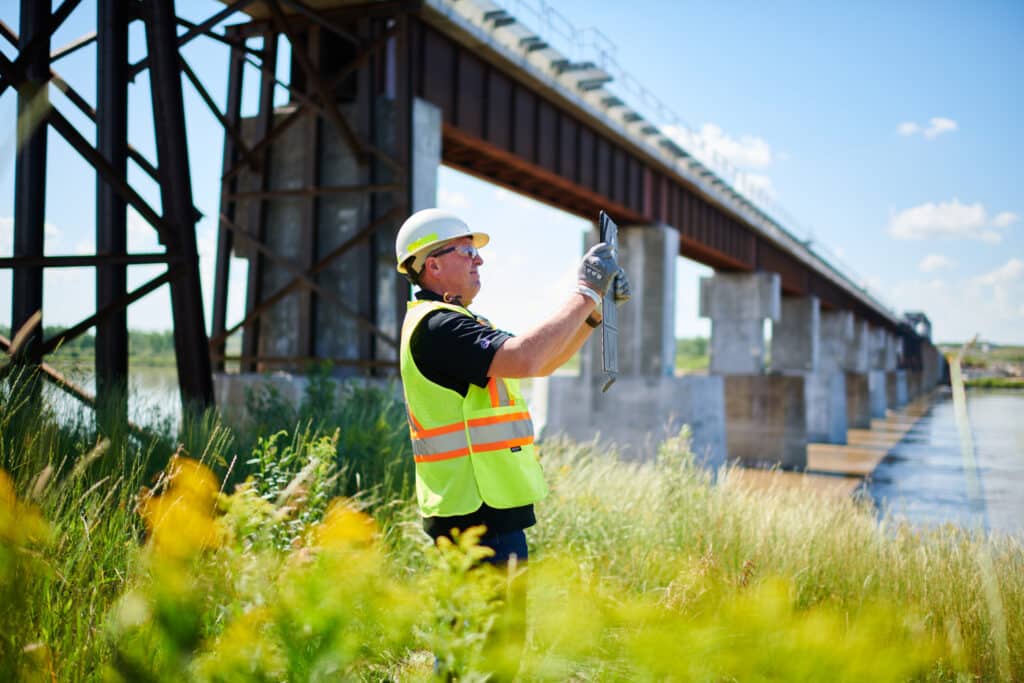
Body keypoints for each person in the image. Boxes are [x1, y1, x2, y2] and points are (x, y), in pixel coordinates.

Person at [394, 207, 629, 564]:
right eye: (467, 252)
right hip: (473, 514)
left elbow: (543, 362)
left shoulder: (459, 323)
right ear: (433, 265)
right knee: (489, 622)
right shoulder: (439, 328)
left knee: (489, 621)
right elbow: (525, 357)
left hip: (486, 509)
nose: (480, 261)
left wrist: (592, 310)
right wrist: (585, 291)